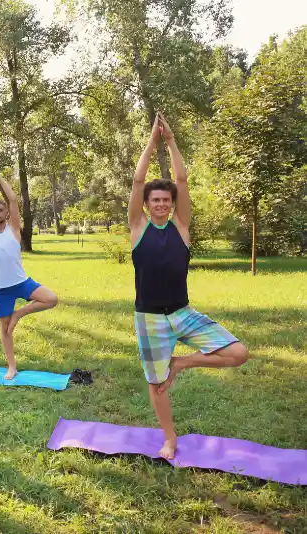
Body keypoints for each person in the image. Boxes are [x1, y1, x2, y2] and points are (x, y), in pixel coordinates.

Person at [129, 112, 249, 459]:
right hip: (149, 318)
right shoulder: (138, 227)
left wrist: (170, 141)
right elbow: (137, 183)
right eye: (156, 200)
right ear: (148, 204)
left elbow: (181, 179)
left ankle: (181, 363)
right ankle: (170, 439)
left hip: (182, 313)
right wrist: (152, 141)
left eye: (167, 199)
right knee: (156, 383)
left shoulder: (181, 226)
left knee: (238, 353)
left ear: (173, 203)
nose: (162, 203)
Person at [0, 159, 58, 380]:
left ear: (6, 213)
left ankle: (19, 314)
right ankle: (11, 366)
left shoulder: (14, 229)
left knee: (51, 298)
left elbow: (12, 198)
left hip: (21, 282)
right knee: (5, 329)